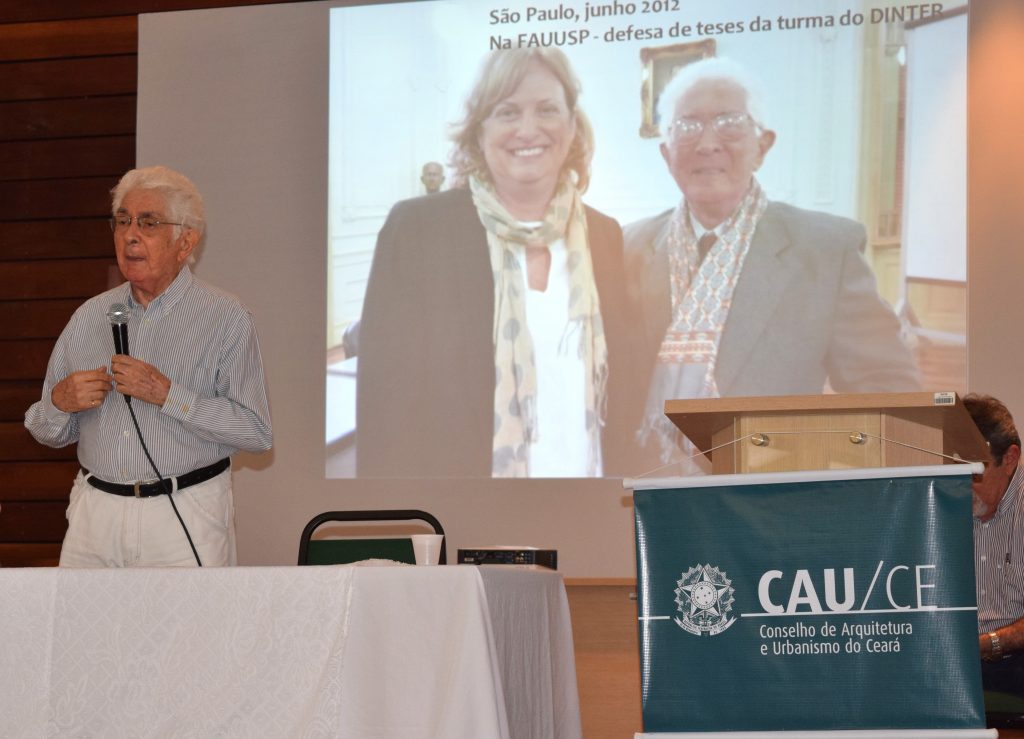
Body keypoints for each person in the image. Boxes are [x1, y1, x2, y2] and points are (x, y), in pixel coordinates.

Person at [624, 57, 920, 464]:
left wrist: (799, 457)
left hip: (771, 488)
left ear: (763, 146)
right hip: (640, 487)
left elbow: (891, 394)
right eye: (688, 125)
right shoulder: (628, 248)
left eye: (729, 122)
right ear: (665, 152)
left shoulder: (824, 251)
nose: (707, 143)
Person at [357, 48, 635, 478]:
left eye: (547, 110)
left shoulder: (604, 235)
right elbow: (385, 413)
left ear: (572, 126)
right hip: (466, 506)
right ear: (479, 131)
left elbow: (623, 395)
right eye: (507, 112)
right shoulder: (417, 231)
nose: (528, 129)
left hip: (589, 497)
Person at [25, 166, 273, 567]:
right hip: (96, 516)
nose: (130, 235)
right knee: (80, 613)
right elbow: (46, 430)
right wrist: (59, 403)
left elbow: (256, 431)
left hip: (184, 513)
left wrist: (169, 396)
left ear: (185, 241)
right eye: (122, 221)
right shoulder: (89, 317)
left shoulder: (225, 318)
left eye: (148, 223)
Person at [963, 393, 1024, 697]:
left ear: (1010, 459)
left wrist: (989, 643)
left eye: (974, 471)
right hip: (955, 658)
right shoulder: (939, 504)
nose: (962, 482)